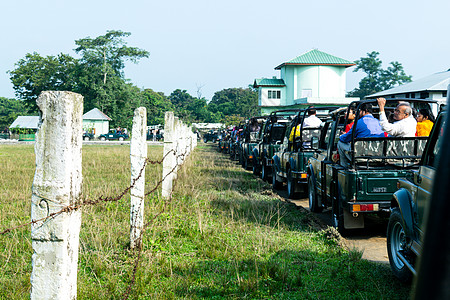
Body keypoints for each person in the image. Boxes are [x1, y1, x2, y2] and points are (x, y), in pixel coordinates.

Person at [337, 103, 385, 168]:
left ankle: (344, 166)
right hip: (379, 155)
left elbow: (346, 138)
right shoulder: (379, 122)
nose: (356, 113)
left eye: (358, 111)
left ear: (364, 111)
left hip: (362, 155)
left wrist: (341, 136)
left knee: (340, 143)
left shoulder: (359, 122)